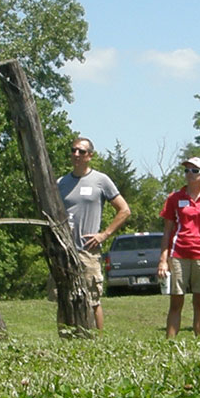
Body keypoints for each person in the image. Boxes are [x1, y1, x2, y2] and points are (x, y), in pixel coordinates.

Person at [58, 136, 130, 330]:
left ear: (90, 155)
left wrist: (103, 234)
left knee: (92, 299)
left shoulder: (100, 180)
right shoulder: (61, 183)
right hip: (64, 252)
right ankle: (67, 341)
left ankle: (97, 343)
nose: (76, 155)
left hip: (87, 251)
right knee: (64, 299)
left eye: (81, 151)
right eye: (73, 150)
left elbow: (124, 210)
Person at [157, 156, 200, 338]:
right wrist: (163, 260)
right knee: (176, 301)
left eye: (194, 170)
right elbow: (167, 231)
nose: (189, 174)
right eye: (187, 170)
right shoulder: (175, 198)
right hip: (178, 254)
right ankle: (170, 343)